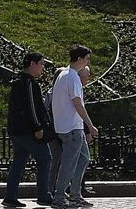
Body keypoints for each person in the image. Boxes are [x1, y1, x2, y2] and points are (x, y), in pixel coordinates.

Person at [3, 52, 52, 208]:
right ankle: (43, 195)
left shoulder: (17, 81)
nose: (43, 68)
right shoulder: (29, 83)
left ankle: (10, 196)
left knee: (19, 161)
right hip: (28, 131)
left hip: (16, 130)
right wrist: (38, 126)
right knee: (45, 158)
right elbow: (32, 107)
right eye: (42, 63)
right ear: (32, 64)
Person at [49, 45, 97, 208]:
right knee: (68, 164)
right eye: (87, 59)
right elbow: (77, 102)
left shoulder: (63, 75)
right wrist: (90, 125)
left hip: (67, 126)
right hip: (72, 128)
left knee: (84, 158)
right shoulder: (73, 77)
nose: (87, 62)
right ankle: (60, 197)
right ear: (79, 59)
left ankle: (75, 194)